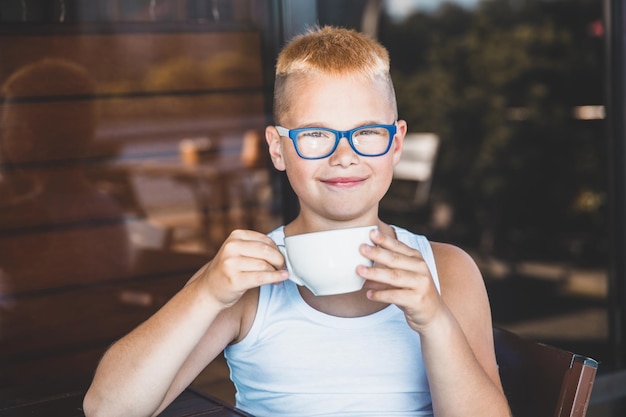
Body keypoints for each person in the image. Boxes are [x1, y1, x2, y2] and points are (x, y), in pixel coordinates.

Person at [83, 26, 511, 417]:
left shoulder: (448, 272)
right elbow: (108, 409)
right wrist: (206, 294)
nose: (344, 155)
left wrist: (435, 320)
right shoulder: (248, 282)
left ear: (395, 144)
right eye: (315, 134)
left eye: (366, 133)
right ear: (277, 148)